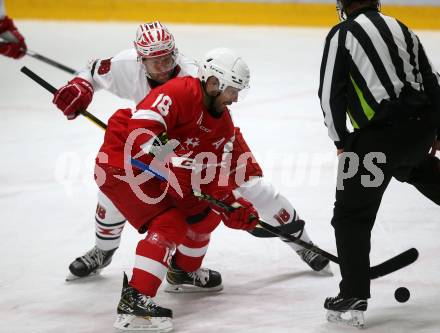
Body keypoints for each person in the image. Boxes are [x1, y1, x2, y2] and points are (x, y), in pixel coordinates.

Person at [53, 21, 331, 282]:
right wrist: (80, 86)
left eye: (168, 58)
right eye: (155, 61)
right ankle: (103, 251)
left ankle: (303, 244)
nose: (163, 67)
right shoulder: (125, 65)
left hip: (206, 136)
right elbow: (91, 71)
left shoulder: (189, 75)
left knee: (254, 187)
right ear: (141, 59)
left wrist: (208, 176)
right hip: (156, 141)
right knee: (115, 189)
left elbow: (217, 115)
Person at [97, 47, 259, 331]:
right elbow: (140, 129)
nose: (234, 99)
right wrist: (168, 158)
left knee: (205, 216)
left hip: (158, 173)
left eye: (238, 92)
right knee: (169, 223)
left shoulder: (222, 124)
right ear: (212, 83)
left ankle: (183, 273)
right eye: (232, 90)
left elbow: (209, 176)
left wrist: (232, 204)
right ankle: (136, 302)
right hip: (123, 162)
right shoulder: (180, 91)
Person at [318, 0, 440, 327]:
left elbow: (330, 95)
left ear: (344, 5)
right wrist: (437, 130)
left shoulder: (342, 35)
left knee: (350, 216)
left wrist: (341, 142)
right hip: (419, 133)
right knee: (417, 168)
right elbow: (433, 82)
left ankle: (353, 295)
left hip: (377, 143)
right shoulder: (403, 28)